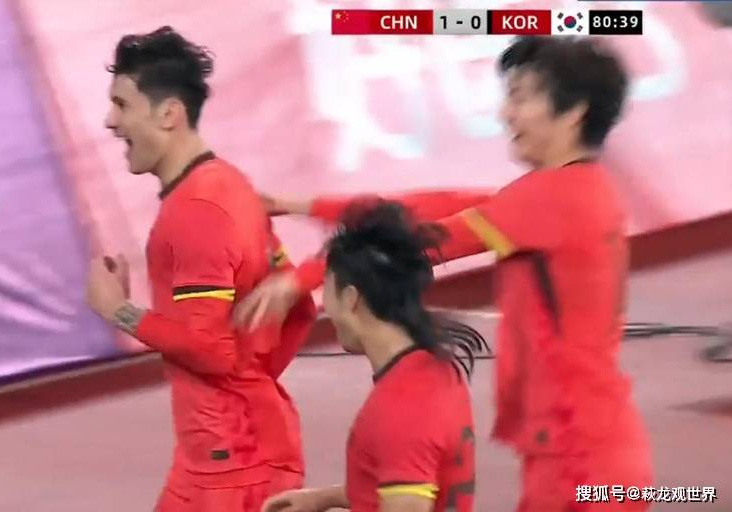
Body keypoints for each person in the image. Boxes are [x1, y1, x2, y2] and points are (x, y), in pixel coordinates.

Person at [239, 36, 653, 511]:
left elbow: (404, 244)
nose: (506, 114)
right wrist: (302, 204)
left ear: (574, 112)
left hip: (579, 464)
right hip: (596, 453)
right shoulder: (571, 191)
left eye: (521, 98)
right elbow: (431, 207)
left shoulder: (552, 199)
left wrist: (301, 278)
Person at [85, 26, 316, 511]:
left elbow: (212, 350)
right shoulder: (229, 185)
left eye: (122, 105)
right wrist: (255, 377)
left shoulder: (196, 211)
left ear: (169, 114)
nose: (110, 121)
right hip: (217, 455)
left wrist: (119, 311)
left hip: (233, 467)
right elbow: (296, 307)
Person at [263, 201, 481, 512]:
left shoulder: (401, 410)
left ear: (350, 298)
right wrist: (322, 498)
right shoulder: (436, 369)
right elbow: (405, 474)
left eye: (327, 292)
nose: (328, 310)